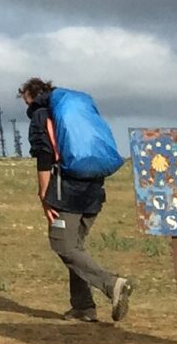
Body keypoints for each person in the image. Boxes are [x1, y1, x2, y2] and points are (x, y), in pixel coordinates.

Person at [20, 78, 132, 323]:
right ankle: (83, 307)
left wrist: (44, 196)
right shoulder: (76, 111)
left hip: (67, 189)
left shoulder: (41, 115)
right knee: (76, 246)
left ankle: (112, 284)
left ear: (29, 96)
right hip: (94, 186)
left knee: (63, 245)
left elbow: (44, 156)